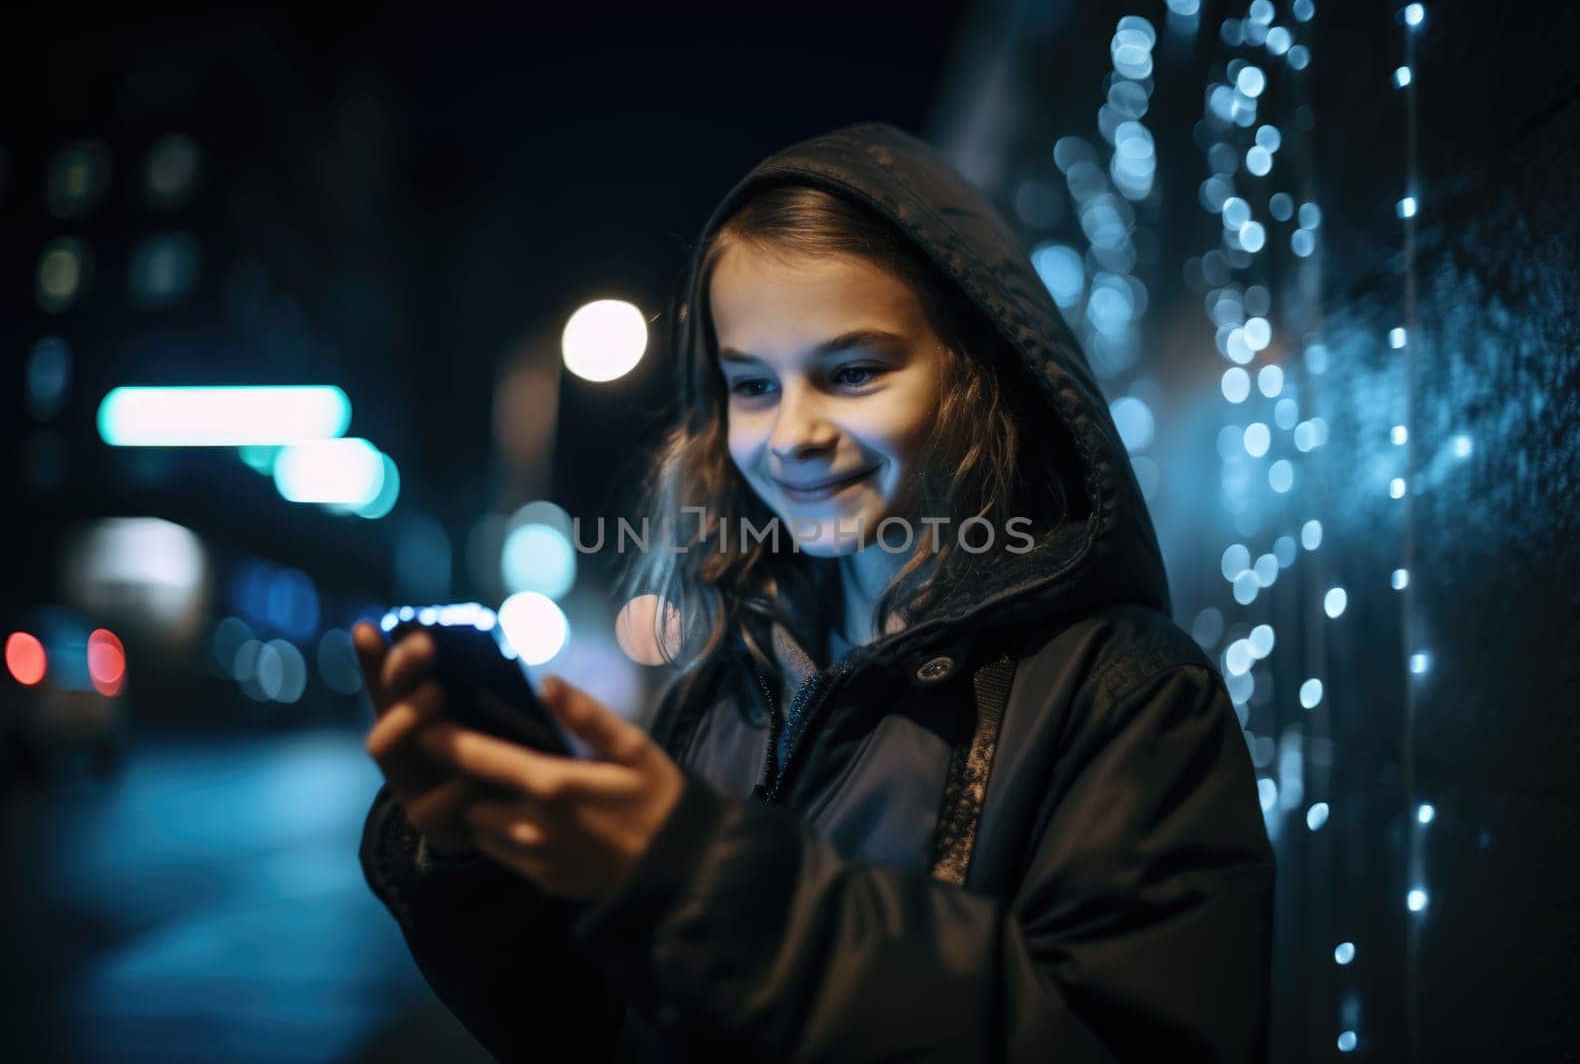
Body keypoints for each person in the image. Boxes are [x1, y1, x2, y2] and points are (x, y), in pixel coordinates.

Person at [355, 121, 1274, 1063]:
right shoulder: (723, 686)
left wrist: (702, 883)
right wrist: (477, 863)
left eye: (852, 372)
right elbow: (601, 1030)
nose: (791, 432)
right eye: (751, 385)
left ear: (978, 371)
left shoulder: (1132, 697)